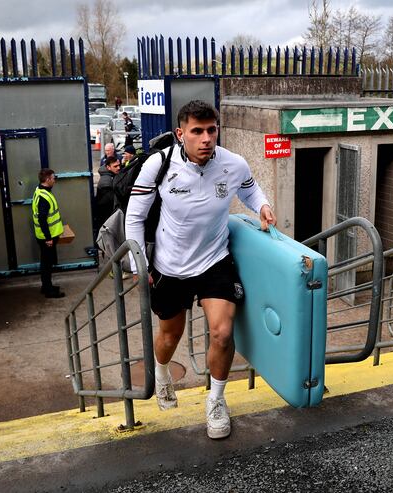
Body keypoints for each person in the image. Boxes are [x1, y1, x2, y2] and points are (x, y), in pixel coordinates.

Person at [125, 100, 276, 439]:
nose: (206, 138)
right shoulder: (159, 165)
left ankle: (217, 400)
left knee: (223, 333)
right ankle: (162, 373)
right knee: (169, 336)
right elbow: (134, 217)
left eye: (211, 130)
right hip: (169, 266)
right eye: (197, 131)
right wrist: (140, 265)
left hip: (214, 261)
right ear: (181, 134)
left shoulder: (233, 164)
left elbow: (250, 190)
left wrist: (263, 206)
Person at [32, 168, 65, 299]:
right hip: (47, 237)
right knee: (46, 264)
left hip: (47, 236)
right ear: (47, 180)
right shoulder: (44, 197)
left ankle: (46, 286)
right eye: (53, 178)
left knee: (47, 262)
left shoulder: (40, 191)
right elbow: (42, 219)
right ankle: (48, 290)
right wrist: (48, 238)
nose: (55, 180)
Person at [95, 155, 120, 229]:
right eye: (115, 166)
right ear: (108, 167)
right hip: (106, 219)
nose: (118, 168)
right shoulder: (106, 181)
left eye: (119, 165)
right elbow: (109, 203)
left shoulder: (110, 176)